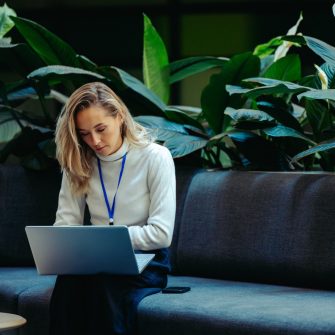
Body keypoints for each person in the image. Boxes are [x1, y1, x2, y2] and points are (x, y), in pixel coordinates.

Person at [49, 81, 176, 335]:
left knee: (104, 284)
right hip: (94, 258)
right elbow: (65, 225)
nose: (94, 141)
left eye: (100, 129)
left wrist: (110, 239)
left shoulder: (156, 157)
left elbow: (161, 234)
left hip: (146, 259)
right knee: (69, 282)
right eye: (84, 133)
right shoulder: (78, 162)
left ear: (119, 117)